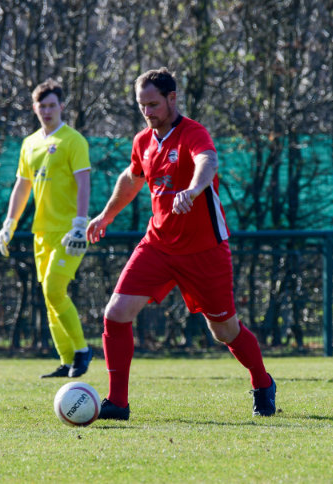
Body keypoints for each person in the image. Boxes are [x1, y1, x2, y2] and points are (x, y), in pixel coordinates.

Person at [86, 68, 276, 420]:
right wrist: (106, 215)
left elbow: (207, 161)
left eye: (153, 104)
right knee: (115, 314)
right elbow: (132, 178)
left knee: (224, 331)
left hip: (204, 251)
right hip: (157, 245)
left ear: (172, 98)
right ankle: (118, 402)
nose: (147, 111)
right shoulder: (143, 141)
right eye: (142, 105)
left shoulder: (193, 132)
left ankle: (263, 382)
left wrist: (193, 189)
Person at [0, 79, 94, 379]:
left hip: (69, 233)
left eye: (52, 105)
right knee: (50, 299)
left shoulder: (73, 140)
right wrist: (9, 223)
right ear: (34, 108)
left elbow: (84, 183)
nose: (47, 110)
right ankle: (67, 360)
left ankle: (82, 350)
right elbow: (22, 186)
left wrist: (80, 224)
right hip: (42, 233)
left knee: (54, 289)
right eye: (42, 106)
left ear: (61, 106)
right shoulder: (29, 143)